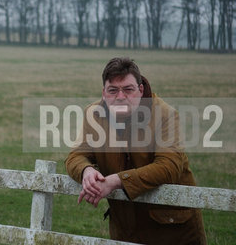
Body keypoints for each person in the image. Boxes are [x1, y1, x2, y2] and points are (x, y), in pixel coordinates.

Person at [65, 57, 206, 245]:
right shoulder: (93, 115)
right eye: (113, 90)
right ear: (104, 93)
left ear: (140, 90)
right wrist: (86, 171)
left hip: (173, 229)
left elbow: (169, 167)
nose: (120, 96)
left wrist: (115, 181)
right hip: (125, 230)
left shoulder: (165, 114)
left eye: (128, 89)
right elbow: (76, 155)